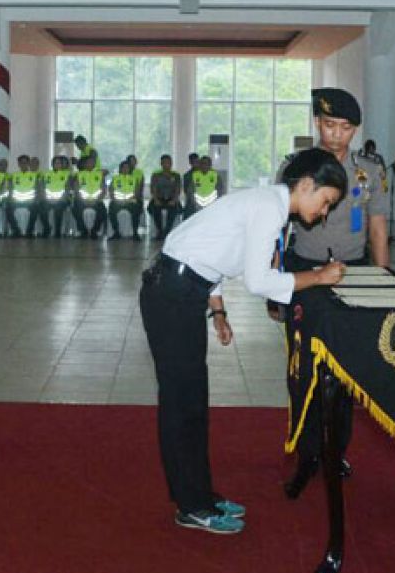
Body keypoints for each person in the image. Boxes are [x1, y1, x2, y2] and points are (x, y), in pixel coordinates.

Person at [141, 148, 348, 534]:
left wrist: (217, 309)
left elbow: (209, 245)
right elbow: (258, 282)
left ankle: (201, 495)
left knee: (193, 402)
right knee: (181, 404)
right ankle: (191, 506)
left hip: (184, 288)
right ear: (306, 185)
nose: (323, 213)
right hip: (171, 293)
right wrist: (319, 277)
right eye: (326, 202)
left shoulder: (268, 206)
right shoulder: (269, 208)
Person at [279, 89, 390, 497]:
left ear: (355, 130)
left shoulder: (370, 170)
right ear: (316, 124)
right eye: (328, 125)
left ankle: (335, 451)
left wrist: (382, 281)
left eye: (345, 128)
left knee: (343, 371)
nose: (336, 135)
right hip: (304, 272)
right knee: (302, 367)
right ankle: (305, 453)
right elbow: (280, 227)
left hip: (352, 273)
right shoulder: (296, 166)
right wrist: (274, 288)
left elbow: (378, 226)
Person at [7, 154, 47, 238]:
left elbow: (38, 189)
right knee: (8, 209)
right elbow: (10, 189)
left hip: (30, 201)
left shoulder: (35, 175)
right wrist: (11, 199)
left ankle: (29, 231)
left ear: (28, 164)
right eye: (21, 163)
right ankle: (16, 230)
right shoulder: (13, 175)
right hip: (16, 201)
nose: (23, 165)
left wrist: (36, 199)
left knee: (36, 208)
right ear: (18, 164)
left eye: (25, 163)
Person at [148, 154, 182, 240]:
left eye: (169, 162)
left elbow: (178, 189)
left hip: (171, 199)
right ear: (161, 164)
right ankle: (159, 231)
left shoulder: (176, 175)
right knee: (155, 208)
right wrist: (156, 199)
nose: (167, 164)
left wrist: (174, 200)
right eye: (165, 162)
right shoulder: (156, 175)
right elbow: (153, 188)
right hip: (159, 198)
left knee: (174, 209)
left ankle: (167, 231)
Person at [108, 159, 144, 240]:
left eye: (127, 168)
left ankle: (135, 233)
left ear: (129, 169)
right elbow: (111, 191)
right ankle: (116, 232)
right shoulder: (115, 178)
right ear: (120, 169)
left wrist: (127, 201)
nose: (125, 169)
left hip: (131, 202)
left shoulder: (134, 179)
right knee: (111, 210)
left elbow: (137, 193)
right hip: (117, 202)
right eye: (123, 167)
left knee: (136, 210)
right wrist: (116, 200)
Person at [72, 157, 107, 239]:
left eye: (92, 162)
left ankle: (95, 230)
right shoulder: (79, 174)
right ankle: (83, 230)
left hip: (96, 200)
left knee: (103, 212)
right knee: (75, 210)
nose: (90, 164)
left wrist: (96, 200)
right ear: (84, 164)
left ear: (94, 164)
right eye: (88, 162)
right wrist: (83, 200)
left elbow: (103, 190)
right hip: (82, 201)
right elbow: (76, 190)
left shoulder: (100, 174)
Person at [43, 155, 73, 238]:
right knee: (41, 208)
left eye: (59, 163)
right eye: (55, 163)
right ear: (52, 164)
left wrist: (60, 200)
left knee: (58, 209)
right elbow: (43, 188)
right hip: (49, 200)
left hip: (62, 200)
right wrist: (47, 199)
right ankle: (47, 229)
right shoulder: (47, 174)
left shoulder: (68, 174)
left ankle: (57, 231)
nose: (57, 165)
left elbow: (67, 190)